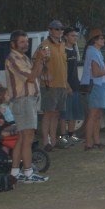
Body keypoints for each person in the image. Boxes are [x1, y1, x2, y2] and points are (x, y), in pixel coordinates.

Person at [5, 30, 49, 183]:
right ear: (13, 44)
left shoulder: (23, 58)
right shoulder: (13, 59)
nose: (25, 45)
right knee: (28, 138)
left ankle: (15, 172)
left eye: (26, 42)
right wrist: (38, 60)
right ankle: (28, 173)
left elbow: (35, 74)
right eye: (22, 42)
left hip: (28, 101)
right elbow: (30, 77)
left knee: (22, 139)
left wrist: (40, 60)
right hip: (23, 101)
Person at [80, 28, 105, 151]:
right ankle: (89, 144)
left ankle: (96, 142)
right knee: (93, 115)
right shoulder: (93, 52)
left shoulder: (96, 51)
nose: (103, 40)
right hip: (96, 86)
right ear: (94, 40)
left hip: (100, 85)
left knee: (97, 115)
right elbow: (95, 73)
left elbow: (97, 71)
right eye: (101, 38)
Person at [38, 20, 69, 151]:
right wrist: (43, 77)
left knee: (56, 113)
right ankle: (46, 142)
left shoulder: (62, 45)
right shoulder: (44, 45)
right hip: (50, 86)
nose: (60, 31)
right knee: (48, 113)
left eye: (61, 29)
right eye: (57, 29)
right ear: (50, 30)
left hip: (61, 84)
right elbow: (38, 62)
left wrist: (66, 84)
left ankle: (54, 141)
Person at [58, 27, 85, 146]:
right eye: (72, 36)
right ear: (66, 37)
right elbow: (61, 71)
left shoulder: (74, 50)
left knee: (74, 112)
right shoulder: (63, 51)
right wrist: (67, 86)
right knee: (65, 114)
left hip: (75, 86)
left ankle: (71, 135)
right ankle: (63, 137)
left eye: (76, 36)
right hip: (66, 87)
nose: (75, 38)